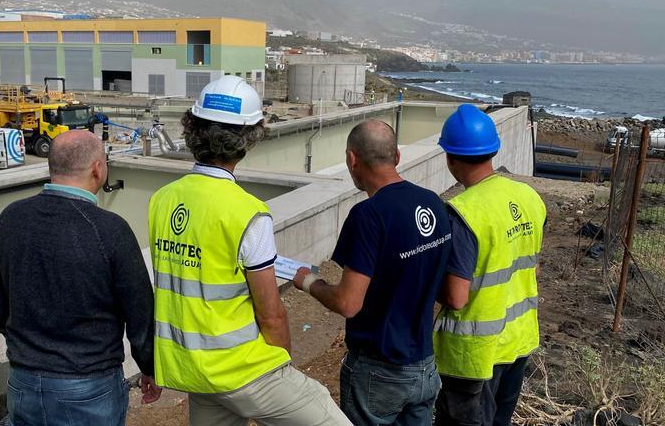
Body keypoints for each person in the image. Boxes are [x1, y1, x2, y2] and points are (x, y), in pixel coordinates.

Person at [149, 75, 350, 426]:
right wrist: (280, 366)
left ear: (193, 130)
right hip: (242, 370)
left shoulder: (162, 200)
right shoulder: (247, 212)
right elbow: (271, 314)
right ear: (248, 140)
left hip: (193, 370)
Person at [0, 130, 161, 426]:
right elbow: (140, 316)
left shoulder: (10, 219)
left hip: (23, 382)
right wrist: (149, 368)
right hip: (89, 387)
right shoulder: (111, 230)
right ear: (98, 169)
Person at [293, 120, 452, 425]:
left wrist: (308, 282)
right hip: (424, 366)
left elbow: (348, 303)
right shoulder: (432, 202)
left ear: (352, 159)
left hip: (379, 371)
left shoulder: (368, 215)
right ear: (397, 157)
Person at [434, 104, 547, 426]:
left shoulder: (464, 212)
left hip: (473, 353)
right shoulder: (527, 196)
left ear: (450, 158)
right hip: (518, 339)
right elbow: (532, 266)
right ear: (492, 150)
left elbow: (456, 297)